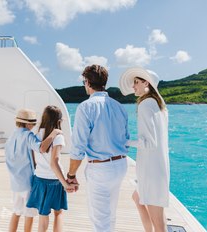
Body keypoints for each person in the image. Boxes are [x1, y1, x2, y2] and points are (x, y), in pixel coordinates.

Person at [67, 64, 130, 232]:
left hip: (101, 169)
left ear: (87, 82)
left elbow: (78, 146)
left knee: (100, 219)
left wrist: (71, 174)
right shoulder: (120, 107)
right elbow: (126, 139)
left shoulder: (86, 107)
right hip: (120, 165)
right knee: (110, 214)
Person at [119, 67, 170, 232]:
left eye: (136, 82)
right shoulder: (158, 105)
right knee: (137, 198)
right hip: (157, 168)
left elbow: (149, 142)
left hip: (152, 171)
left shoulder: (145, 104)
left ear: (146, 82)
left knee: (160, 225)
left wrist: (125, 142)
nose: (133, 86)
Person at [5, 108, 61, 232]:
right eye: (33, 124)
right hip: (27, 183)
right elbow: (41, 148)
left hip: (15, 183)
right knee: (29, 214)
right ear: (28, 124)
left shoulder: (11, 136)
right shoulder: (28, 135)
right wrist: (54, 133)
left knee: (16, 212)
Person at [27, 105, 76, 232]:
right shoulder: (58, 136)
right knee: (58, 213)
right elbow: (54, 162)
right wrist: (65, 183)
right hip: (54, 181)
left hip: (39, 179)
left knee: (43, 215)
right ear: (58, 121)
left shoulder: (36, 134)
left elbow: (34, 159)